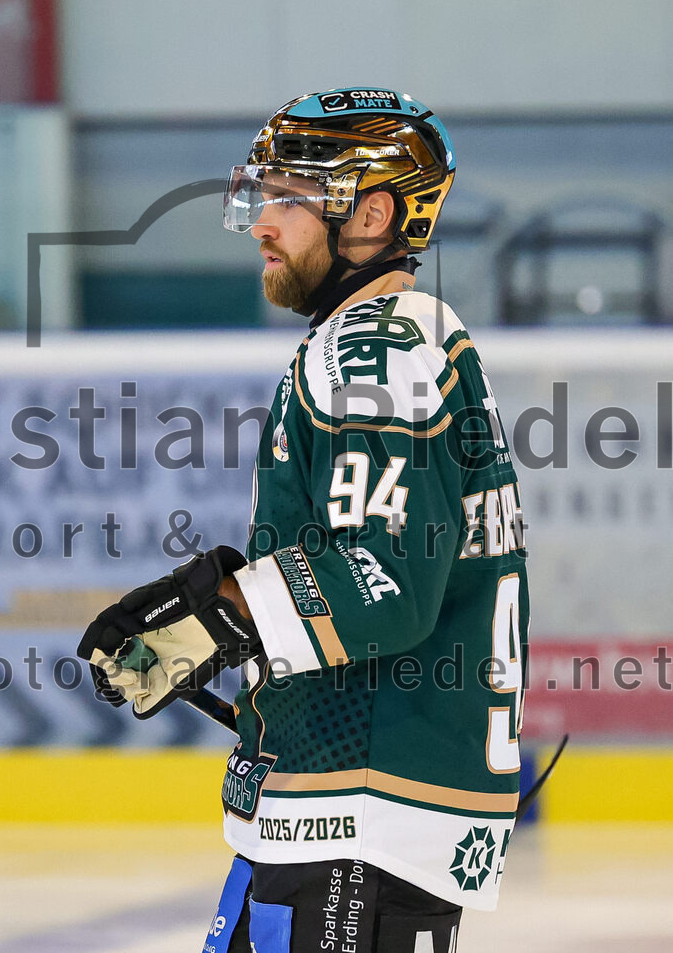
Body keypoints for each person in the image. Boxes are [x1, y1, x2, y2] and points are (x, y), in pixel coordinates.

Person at [78, 88, 529, 953]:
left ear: (370, 212)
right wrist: (228, 612)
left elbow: (389, 580)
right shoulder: (383, 338)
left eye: (286, 195)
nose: (260, 222)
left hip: (359, 807)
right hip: (341, 806)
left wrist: (220, 614)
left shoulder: (380, 345)